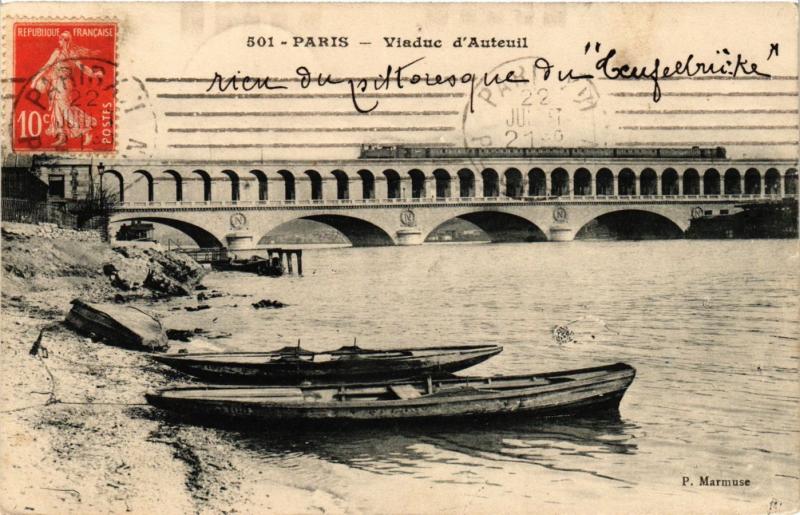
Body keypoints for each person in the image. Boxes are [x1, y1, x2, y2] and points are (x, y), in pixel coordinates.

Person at [29, 31, 104, 147]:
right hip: (55, 84)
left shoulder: (71, 53)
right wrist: (35, 79)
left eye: (60, 39)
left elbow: (82, 67)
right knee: (57, 109)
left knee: (65, 109)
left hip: (64, 85)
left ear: (66, 41)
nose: (58, 41)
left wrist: (94, 74)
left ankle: (86, 131)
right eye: (59, 39)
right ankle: (62, 136)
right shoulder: (57, 52)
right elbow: (47, 66)